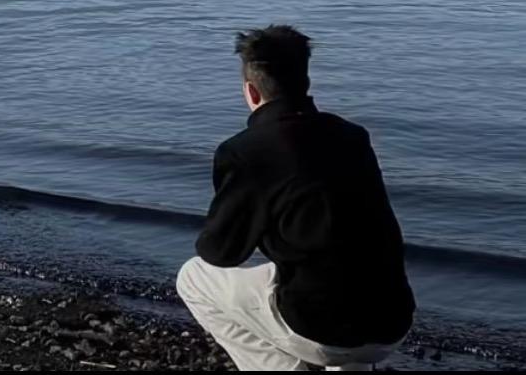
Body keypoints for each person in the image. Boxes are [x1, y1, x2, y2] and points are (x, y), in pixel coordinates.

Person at [177, 25, 415, 372]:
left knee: (194, 277)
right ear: (305, 81)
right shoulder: (353, 137)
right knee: (339, 267)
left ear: (251, 92)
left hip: (321, 330)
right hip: (392, 322)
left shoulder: (246, 151)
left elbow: (221, 252)